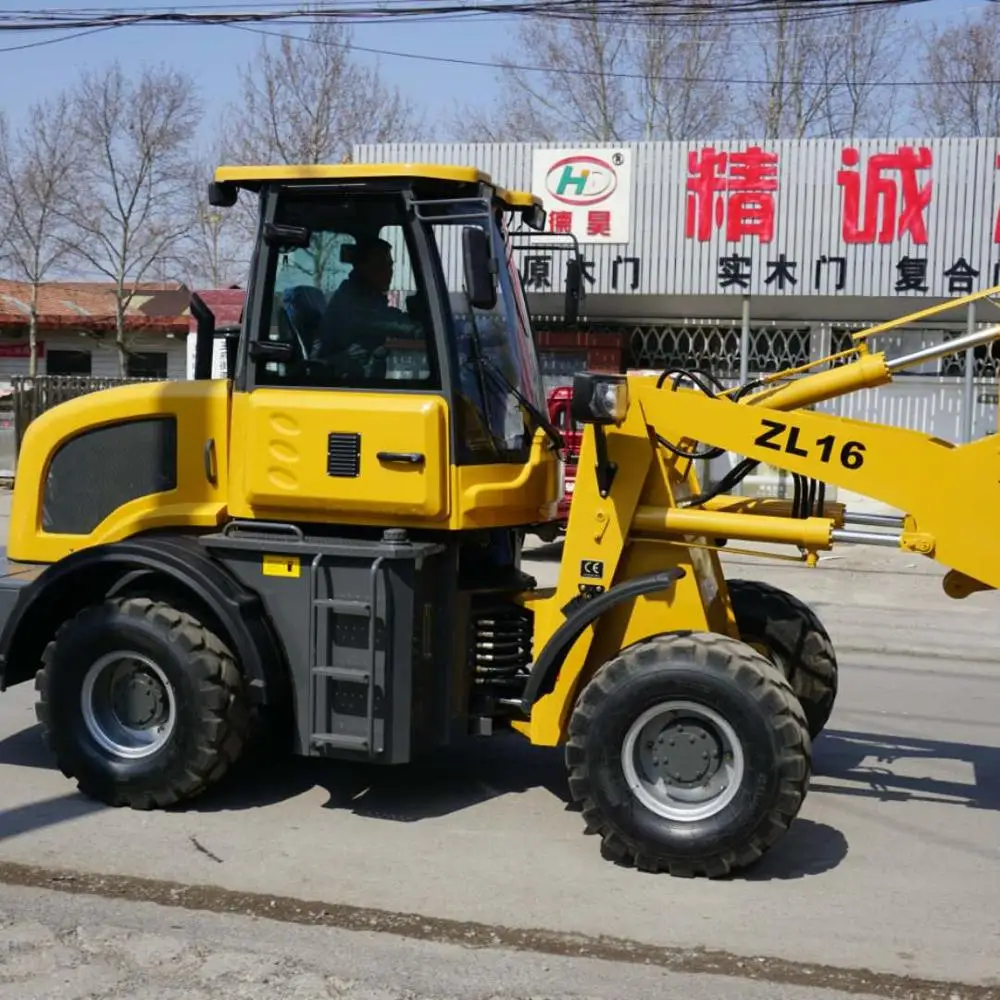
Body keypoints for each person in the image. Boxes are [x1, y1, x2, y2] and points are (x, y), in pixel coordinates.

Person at [310, 237, 423, 379]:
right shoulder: (353, 300)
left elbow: (388, 316)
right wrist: (422, 330)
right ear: (362, 267)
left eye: (390, 266)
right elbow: (390, 322)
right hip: (336, 380)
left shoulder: (366, 296)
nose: (389, 272)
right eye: (380, 266)